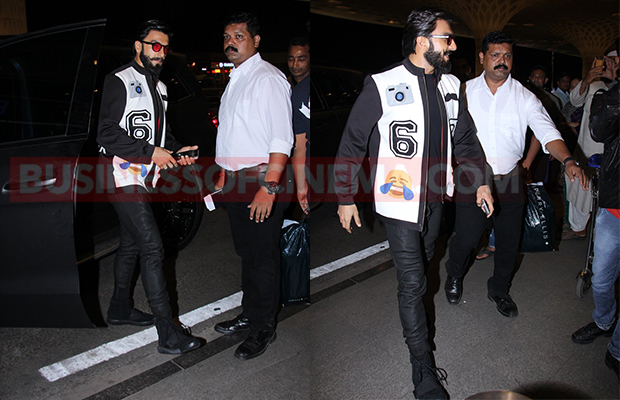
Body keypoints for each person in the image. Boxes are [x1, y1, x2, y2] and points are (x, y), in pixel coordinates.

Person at [335, 9, 493, 399]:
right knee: (413, 283)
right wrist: (344, 197)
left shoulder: (453, 85)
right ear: (423, 42)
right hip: (397, 201)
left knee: (421, 273)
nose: (453, 45)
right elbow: (353, 142)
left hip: (437, 199)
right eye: (446, 38)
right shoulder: (383, 83)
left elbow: (467, 142)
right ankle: (422, 370)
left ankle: (414, 324)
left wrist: (482, 184)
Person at [444, 31, 587, 318]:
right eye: (495, 55)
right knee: (468, 239)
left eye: (507, 55)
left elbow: (547, 132)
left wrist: (568, 159)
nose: (502, 61)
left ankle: (499, 289)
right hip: (472, 179)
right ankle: (454, 275)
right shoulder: (463, 92)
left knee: (509, 241)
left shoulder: (525, 97)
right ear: (482, 57)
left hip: (509, 180)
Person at [97, 20, 202, 355]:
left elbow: (160, 136)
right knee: (153, 248)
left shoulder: (161, 88)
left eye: (165, 47)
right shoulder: (119, 80)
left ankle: (119, 308)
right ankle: (167, 333)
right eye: (154, 45)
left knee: (131, 245)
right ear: (138, 46)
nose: (160, 52)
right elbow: (106, 134)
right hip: (121, 174)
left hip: (145, 176)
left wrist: (175, 151)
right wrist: (150, 152)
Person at [212, 12, 294, 360]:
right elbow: (234, 132)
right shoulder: (237, 78)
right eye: (227, 36)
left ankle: (263, 326)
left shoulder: (268, 78)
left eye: (239, 36)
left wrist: (269, 187)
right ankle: (250, 313)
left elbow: (281, 139)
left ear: (256, 41)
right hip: (235, 182)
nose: (231, 42)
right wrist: (222, 171)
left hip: (260, 181)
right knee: (247, 253)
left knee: (262, 258)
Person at [571, 52, 619, 378]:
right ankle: (604, 319)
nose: (612, 63)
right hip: (612, 198)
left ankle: (616, 352)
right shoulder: (602, 89)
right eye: (612, 59)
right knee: (601, 279)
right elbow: (598, 127)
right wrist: (594, 79)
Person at [564, 50, 619, 240]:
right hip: (586, 148)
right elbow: (575, 100)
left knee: (605, 194)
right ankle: (578, 227)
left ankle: (602, 231)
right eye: (608, 61)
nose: (610, 65)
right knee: (579, 186)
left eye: (614, 62)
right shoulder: (593, 84)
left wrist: (614, 82)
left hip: (611, 152)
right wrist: (587, 79)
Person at [288, 36, 310, 214]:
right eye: (291, 58)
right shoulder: (294, 90)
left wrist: (301, 187)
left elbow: (300, 145)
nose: (295, 64)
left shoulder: (298, 94)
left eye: (301, 59)